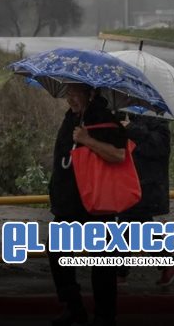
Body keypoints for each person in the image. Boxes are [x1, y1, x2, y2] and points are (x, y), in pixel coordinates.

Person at [48, 84, 127, 326]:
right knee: (57, 251)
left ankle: (105, 316)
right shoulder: (71, 117)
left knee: (102, 262)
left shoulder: (104, 119)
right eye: (68, 93)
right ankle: (74, 307)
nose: (69, 98)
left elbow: (119, 154)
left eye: (75, 93)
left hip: (96, 204)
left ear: (90, 94)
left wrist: (87, 140)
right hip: (69, 203)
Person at [116, 113, 174, 287]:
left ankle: (120, 274)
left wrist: (131, 129)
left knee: (127, 224)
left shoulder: (155, 118)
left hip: (145, 184)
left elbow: (159, 147)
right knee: (136, 226)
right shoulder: (121, 112)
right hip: (126, 180)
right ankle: (168, 264)